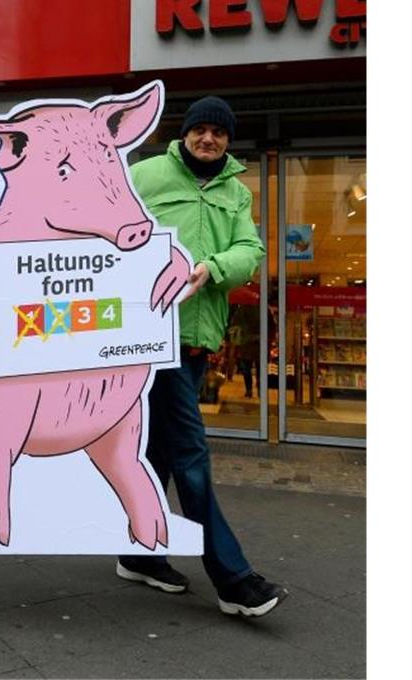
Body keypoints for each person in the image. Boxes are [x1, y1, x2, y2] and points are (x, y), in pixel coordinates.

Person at [116, 97, 287, 618]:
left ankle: (138, 554)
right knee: (189, 450)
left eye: (218, 132)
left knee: (160, 451)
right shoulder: (144, 175)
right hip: (145, 336)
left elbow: (251, 252)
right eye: (200, 130)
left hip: (195, 340)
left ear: (227, 141)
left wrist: (210, 269)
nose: (208, 139)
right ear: (184, 134)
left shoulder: (236, 192)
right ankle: (231, 577)